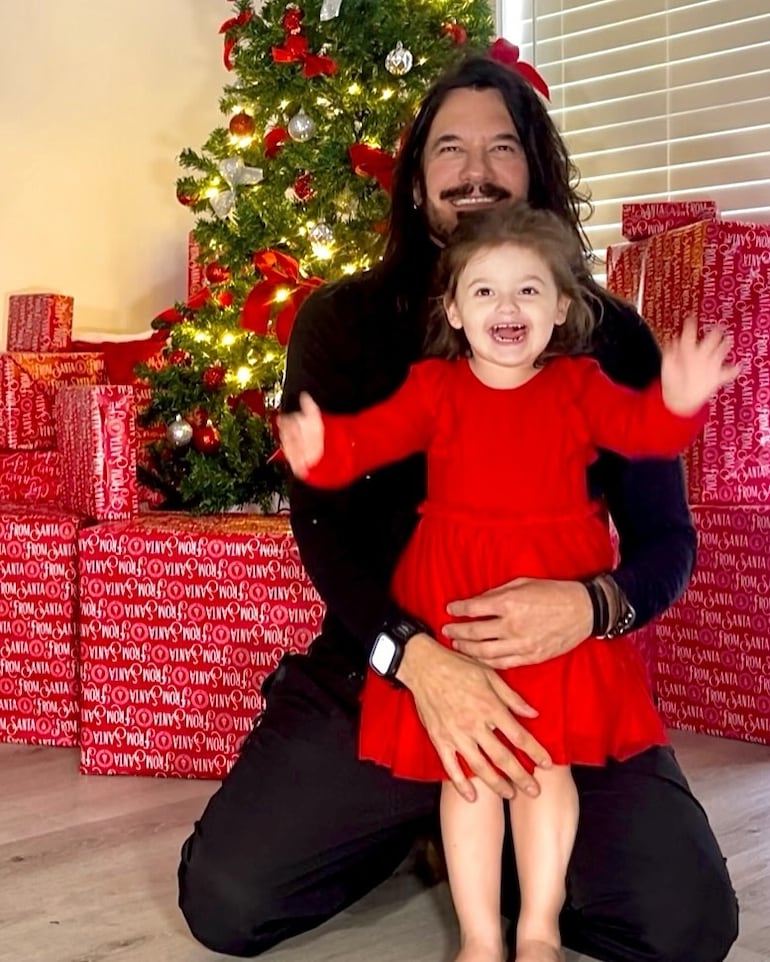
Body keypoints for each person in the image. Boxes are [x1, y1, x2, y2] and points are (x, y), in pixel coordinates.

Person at [177, 53, 739, 962]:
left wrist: (591, 607)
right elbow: (327, 529)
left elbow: (668, 540)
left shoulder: (606, 339)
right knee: (229, 902)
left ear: (536, 170)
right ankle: (423, 825)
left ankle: (512, 859)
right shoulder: (344, 323)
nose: (474, 170)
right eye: (449, 149)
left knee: (685, 927)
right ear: (416, 181)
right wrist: (417, 659)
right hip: (390, 663)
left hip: (559, 677)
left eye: (501, 148)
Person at [277, 202, 738, 962]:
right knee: (469, 772)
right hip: (454, 596)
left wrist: (679, 401)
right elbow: (371, 442)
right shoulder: (434, 387)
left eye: (529, 290)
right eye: (485, 291)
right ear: (455, 309)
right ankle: (481, 938)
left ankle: (539, 931)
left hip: (555, 594)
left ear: (562, 307)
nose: (508, 307)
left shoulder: (582, 385)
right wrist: (323, 450)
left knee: (543, 768)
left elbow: (643, 432)